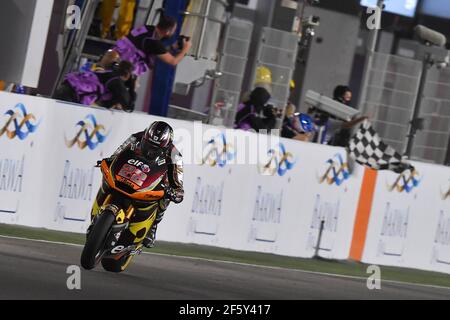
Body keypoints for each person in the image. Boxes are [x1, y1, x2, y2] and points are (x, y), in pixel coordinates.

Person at [92, 121, 184, 248]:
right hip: (131, 171)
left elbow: (178, 182)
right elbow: (118, 153)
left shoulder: (175, 155)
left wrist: (177, 192)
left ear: (165, 146)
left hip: (155, 178)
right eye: (148, 144)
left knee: (166, 195)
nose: (150, 149)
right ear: (145, 137)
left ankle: (153, 226)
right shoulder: (136, 137)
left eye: (155, 147)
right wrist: (109, 161)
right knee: (108, 179)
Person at [110, 13, 192, 76]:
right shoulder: (155, 43)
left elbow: (150, 49)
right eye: (173, 30)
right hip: (126, 67)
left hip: (117, 54)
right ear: (167, 32)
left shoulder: (146, 28)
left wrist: (172, 47)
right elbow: (173, 61)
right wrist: (185, 49)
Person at [54, 61, 136, 112]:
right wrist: (132, 87)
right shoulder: (116, 81)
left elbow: (104, 103)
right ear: (128, 75)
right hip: (71, 96)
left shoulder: (109, 74)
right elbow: (129, 106)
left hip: (66, 88)